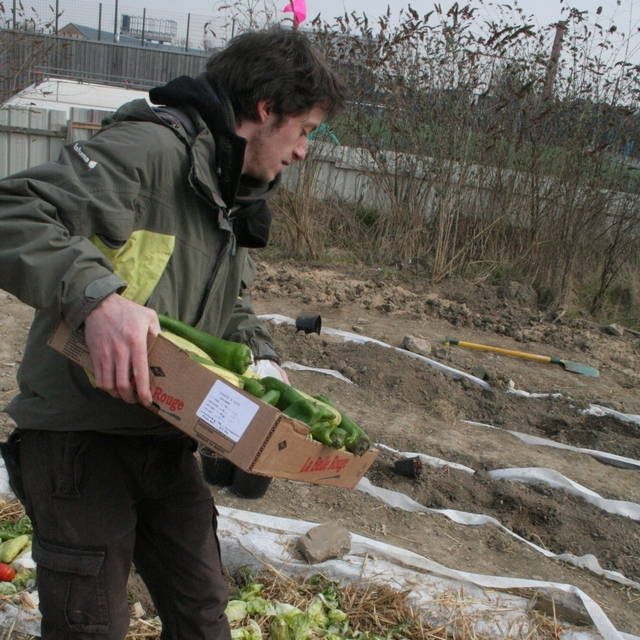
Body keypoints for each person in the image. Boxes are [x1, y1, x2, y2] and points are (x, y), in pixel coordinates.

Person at [0, 27, 344, 639]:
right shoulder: (149, 153)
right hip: (79, 442)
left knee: (204, 615)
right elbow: (14, 212)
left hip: (164, 437)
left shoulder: (227, 193)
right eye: (306, 131)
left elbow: (228, 307)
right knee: (90, 628)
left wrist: (262, 363)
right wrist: (97, 301)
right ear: (266, 110)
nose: (303, 152)